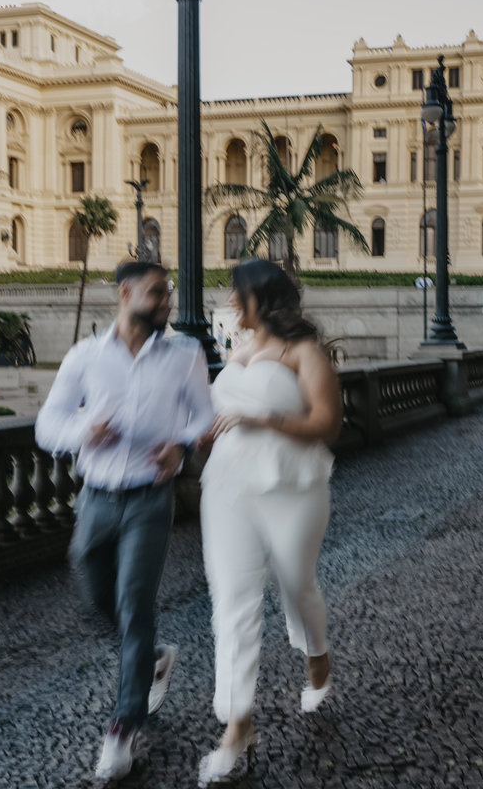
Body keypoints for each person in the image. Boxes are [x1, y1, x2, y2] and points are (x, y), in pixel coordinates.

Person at [36, 261, 214, 782]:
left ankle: (123, 727)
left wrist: (180, 447)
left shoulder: (185, 354)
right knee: (95, 593)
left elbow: (204, 414)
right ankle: (153, 656)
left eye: (168, 294)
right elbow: (49, 424)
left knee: (135, 605)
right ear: (126, 293)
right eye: (158, 293)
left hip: (150, 500)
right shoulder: (85, 356)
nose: (167, 302)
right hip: (95, 497)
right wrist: (84, 431)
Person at [195, 259, 342, 786]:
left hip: (293, 486)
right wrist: (209, 432)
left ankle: (316, 652)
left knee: (297, 585)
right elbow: (226, 412)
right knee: (232, 601)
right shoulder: (237, 351)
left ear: (263, 297)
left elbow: (329, 422)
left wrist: (262, 419)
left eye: (238, 294)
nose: (231, 302)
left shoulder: (304, 351)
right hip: (229, 485)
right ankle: (238, 727)